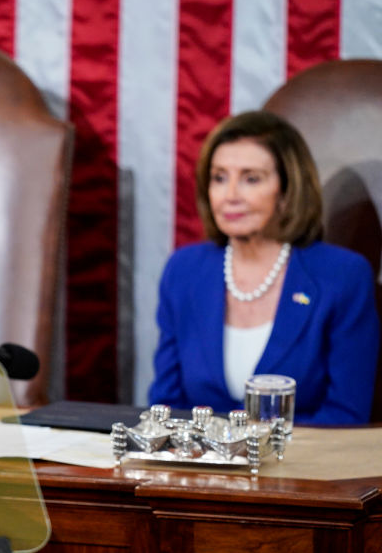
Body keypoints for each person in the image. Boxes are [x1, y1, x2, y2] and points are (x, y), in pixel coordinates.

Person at [149, 110, 379, 424]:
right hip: (200, 467)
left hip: (300, 468)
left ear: (286, 191)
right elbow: (166, 406)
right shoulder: (184, 270)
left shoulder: (343, 276)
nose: (230, 196)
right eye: (219, 178)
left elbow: (345, 416)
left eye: (251, 178)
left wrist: (250, 449)